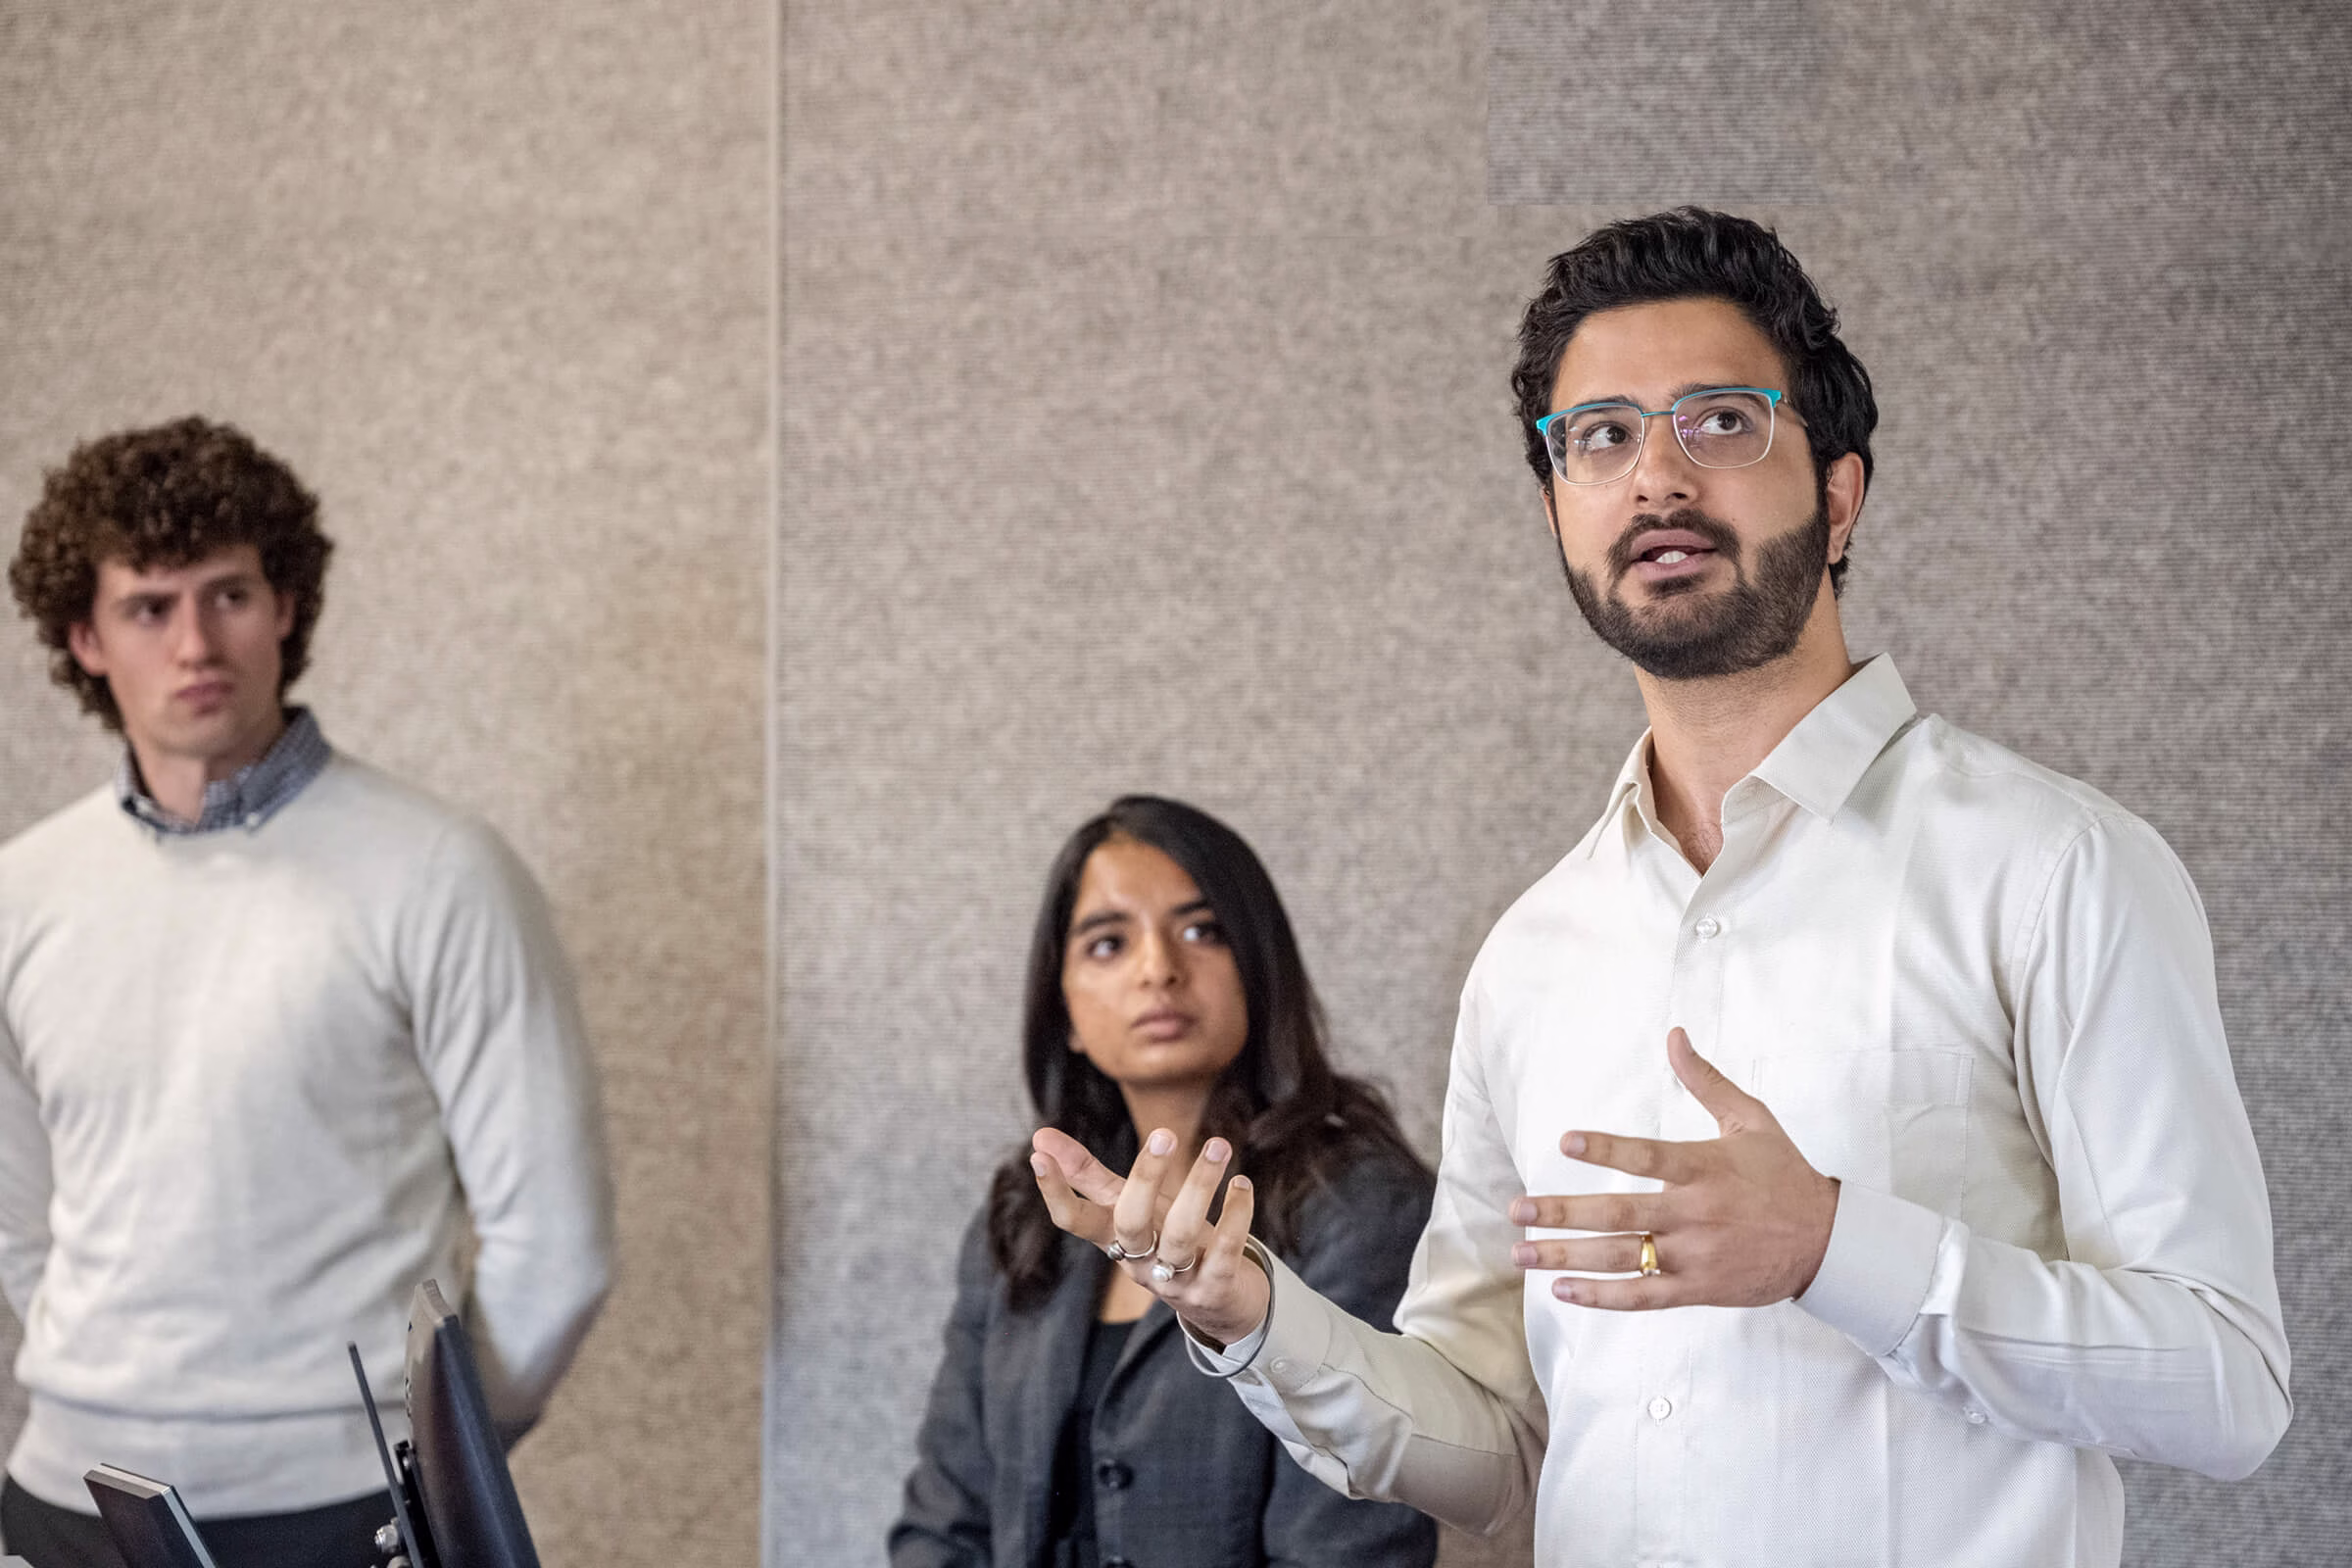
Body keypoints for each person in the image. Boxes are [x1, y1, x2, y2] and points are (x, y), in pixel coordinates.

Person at [1029, 210, 2291, 1567]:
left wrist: (1831, 1251)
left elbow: (2226, 1387)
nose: (1656, 477)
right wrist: (1253, 1318)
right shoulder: (1532, 955)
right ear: (1560, 507)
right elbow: (1493, 1442)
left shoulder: (2053, 870)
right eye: (1602, 437)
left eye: (1723, 422)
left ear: (1843, 492)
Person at [0, 416, 613, 1568]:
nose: (196, 643)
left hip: (347, 1512)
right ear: (84, 637)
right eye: (149, 606)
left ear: (285, 605)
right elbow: (18, 1226)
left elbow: (558, 1244)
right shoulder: (18, 895)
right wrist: (128, 1398)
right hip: (69, 1500)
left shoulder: (440, 869)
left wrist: (442, 1459)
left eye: (229, 594)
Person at [891, 795, 1438, 1568]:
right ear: (1067, 1011)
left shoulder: (1358, 1208)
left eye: (1201, 930)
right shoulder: (1028, 1210)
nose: (1159, 970)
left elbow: (1347, 1549)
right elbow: (947, 1522)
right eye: (1108, 944)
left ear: (1260, 965)